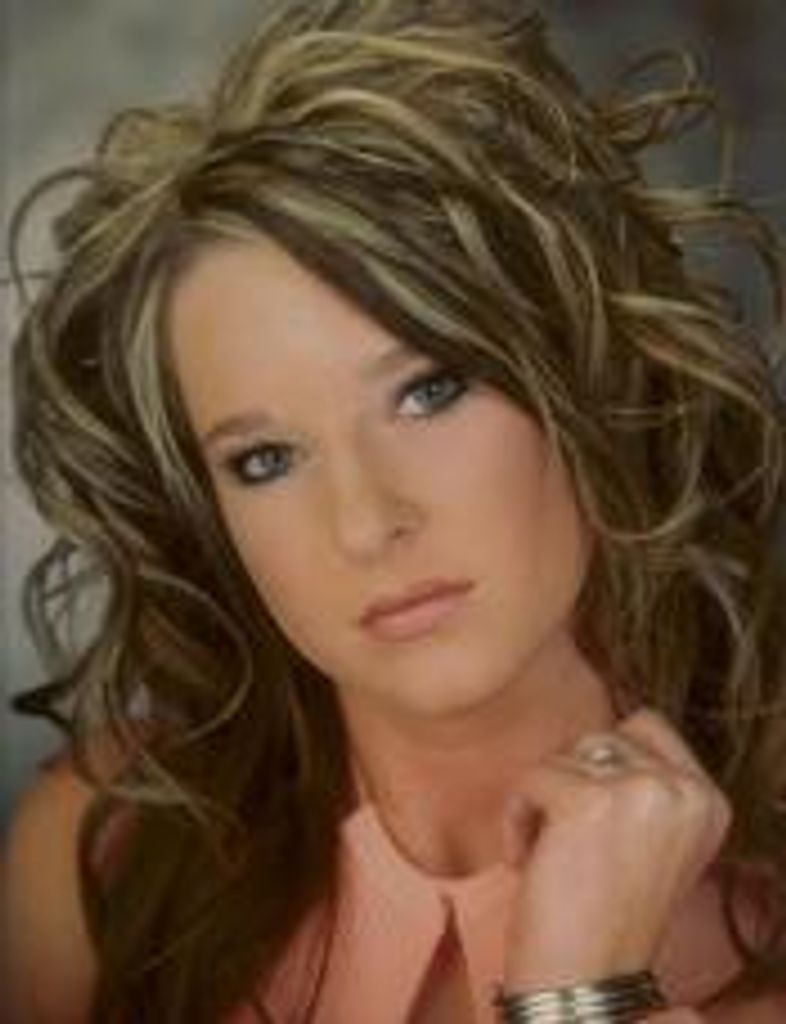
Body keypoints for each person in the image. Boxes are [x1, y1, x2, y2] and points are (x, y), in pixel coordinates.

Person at [4, 0, 786, 1020]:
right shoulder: (108, 853)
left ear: (581, 377)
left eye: (429, 392)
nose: (366, 524)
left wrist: (583, 992)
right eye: (265, 459)